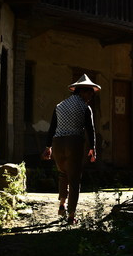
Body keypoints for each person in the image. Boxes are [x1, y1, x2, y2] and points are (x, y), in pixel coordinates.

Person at [41, 74, 99, 224]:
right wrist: (92, 148)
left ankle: (62, 205)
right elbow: (90, 129)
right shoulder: (85, 107)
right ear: (81, 91)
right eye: (89, 93)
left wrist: (48, 147)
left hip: (57, 144)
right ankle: (71, 215)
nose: (90, 97)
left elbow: (52, 127)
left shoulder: (59, 106)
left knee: (62, 174)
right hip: (74, 143)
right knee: (74, 179)